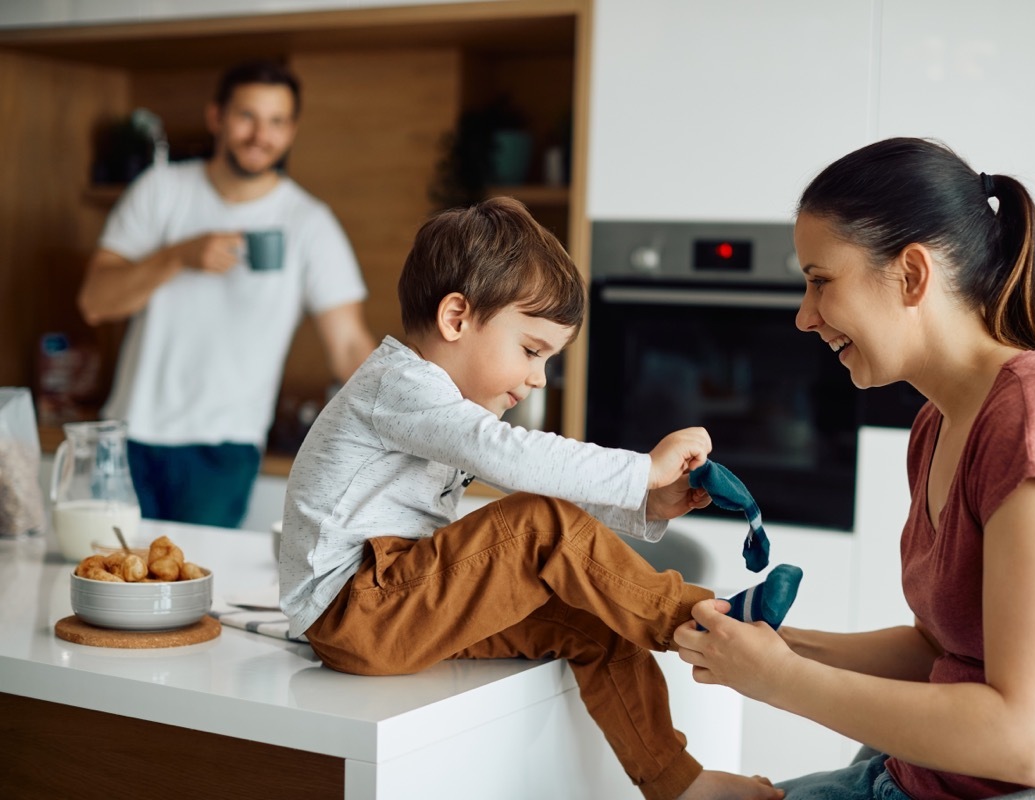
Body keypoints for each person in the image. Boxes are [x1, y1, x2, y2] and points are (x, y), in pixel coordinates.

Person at [674, 138, 1035, 800]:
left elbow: (1027, 744)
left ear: (911, 273)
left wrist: (778, 680)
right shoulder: (940, 423)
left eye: (821, 280)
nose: (804, 315)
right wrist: (774, 647)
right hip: (915, 777)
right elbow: (942, 653)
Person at [279, 196, 794, 800]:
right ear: (455, 318)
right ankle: (705, 620)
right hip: (357, 608)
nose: (538, 378)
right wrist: (642, 471)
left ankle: (677, 782)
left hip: (398, 605)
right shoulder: (400, 383)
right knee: (536, 524)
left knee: (597, 620)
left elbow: (531, 475)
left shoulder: (440, 407)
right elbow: (515, 460)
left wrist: (645, 504)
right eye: (531, 350)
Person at [77, 60, 375, 529]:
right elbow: (96, 301)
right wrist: (178, 256)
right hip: (128, 435)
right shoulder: (160, 191)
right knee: (104, 583)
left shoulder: (309, 223)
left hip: (223, 451)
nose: (261, 135)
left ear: (292, 130)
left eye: (277, 121)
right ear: (216, 117)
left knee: (193, 593)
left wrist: (425, 416)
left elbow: (348, 347)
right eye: (247, 116)